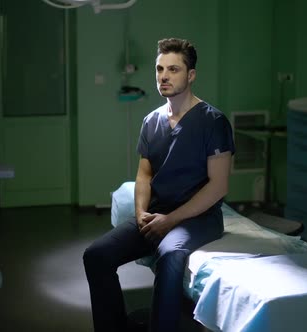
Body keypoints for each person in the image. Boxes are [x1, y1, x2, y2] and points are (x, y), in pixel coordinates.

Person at [83, 38, 235, 332]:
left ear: (190, 75)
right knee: (96, 255)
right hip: (156, 213)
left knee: (170, 253)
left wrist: (171, 220)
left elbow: (218, 187)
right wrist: (141, 214)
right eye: (160, 69)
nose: (164, 76)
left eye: (173, 69)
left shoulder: (213, 122)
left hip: (199, 218)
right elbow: (144, 175)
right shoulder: (151, 121)